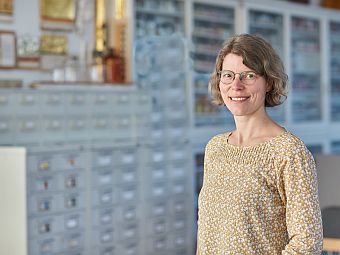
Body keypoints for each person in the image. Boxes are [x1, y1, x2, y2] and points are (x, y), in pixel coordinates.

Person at [196, 34, 323, 254]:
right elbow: (205, 232)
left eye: (249, 75)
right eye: (228, 75)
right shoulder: (215, 148)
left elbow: (307, 243)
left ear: (269, 82)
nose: (236, 85)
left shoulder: (289, 153)